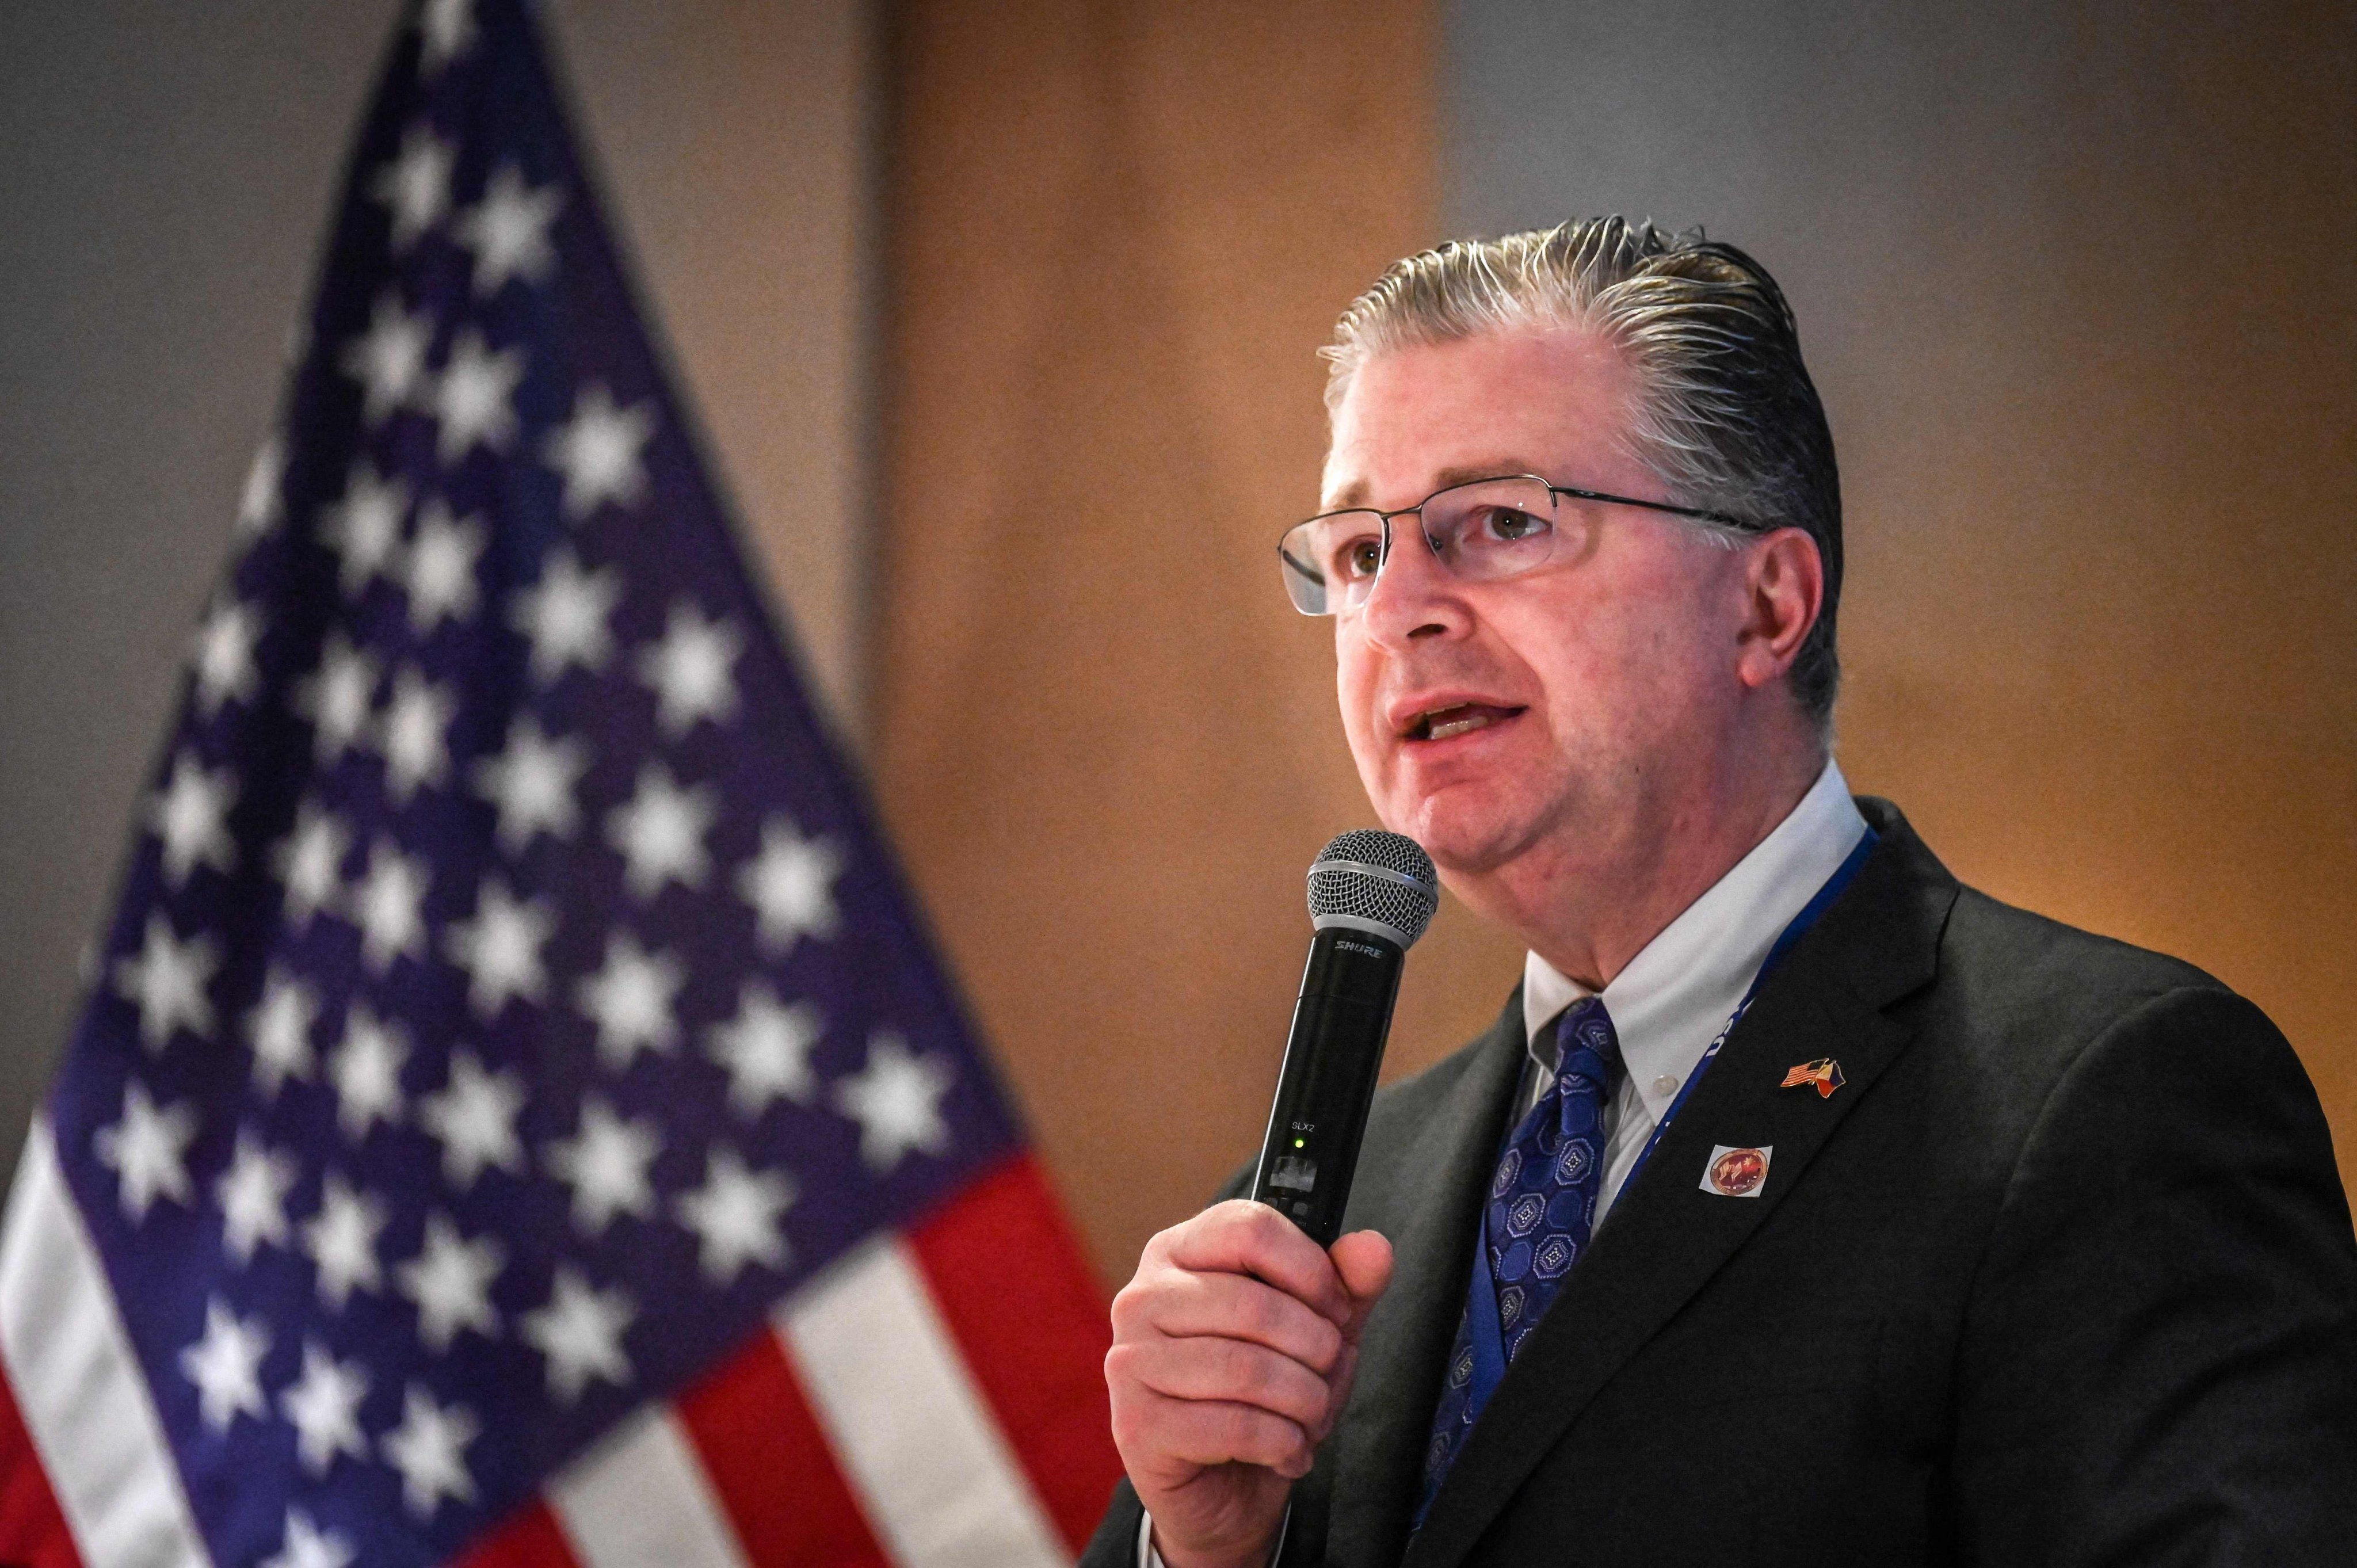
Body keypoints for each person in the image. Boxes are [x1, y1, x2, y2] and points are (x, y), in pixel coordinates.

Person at [1081, 219, 2357, 1568]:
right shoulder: (1323, 1212)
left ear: (1763, 605)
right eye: (1355, 553)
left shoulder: (2106, 1097)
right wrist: (1210, 1552)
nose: (1398, 610)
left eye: (1501, 522)